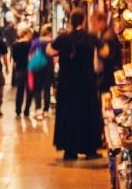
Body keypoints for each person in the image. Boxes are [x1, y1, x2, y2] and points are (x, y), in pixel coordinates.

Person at [48, 10, 105, 160]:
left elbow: (49, 51)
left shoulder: (64, 37)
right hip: (87, 82)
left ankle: (70, 150)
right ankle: (89, 149)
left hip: (67, 82)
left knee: (68, 113)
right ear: (83, 21)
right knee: (87, 113)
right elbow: (105, 52)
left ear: (71, 21)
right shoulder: (90, 37)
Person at [93, 12, 122, 94]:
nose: (94, 27)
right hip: (107, 74)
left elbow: (108, 56)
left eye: (95, 24)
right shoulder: (104, 34)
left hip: (108, 76)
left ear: (102, 21)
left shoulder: (108, 36)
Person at [29, 24, 54, 120]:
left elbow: (31, 55)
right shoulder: (52, 41)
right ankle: (46, 110)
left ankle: (38, 109)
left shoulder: (36, 42)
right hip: (49, 67)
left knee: (37, 89)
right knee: (47, 89)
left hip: (38, 67)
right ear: (48, 32)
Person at [11, 28, 33, 118]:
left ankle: (18, 110)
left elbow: (14, 60)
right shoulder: (30, 44)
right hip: (30, 70)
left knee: (20, 90)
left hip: (19, 69)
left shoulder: (15, 45)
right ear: (27, 34)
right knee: (29, 90)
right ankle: (27, 110)